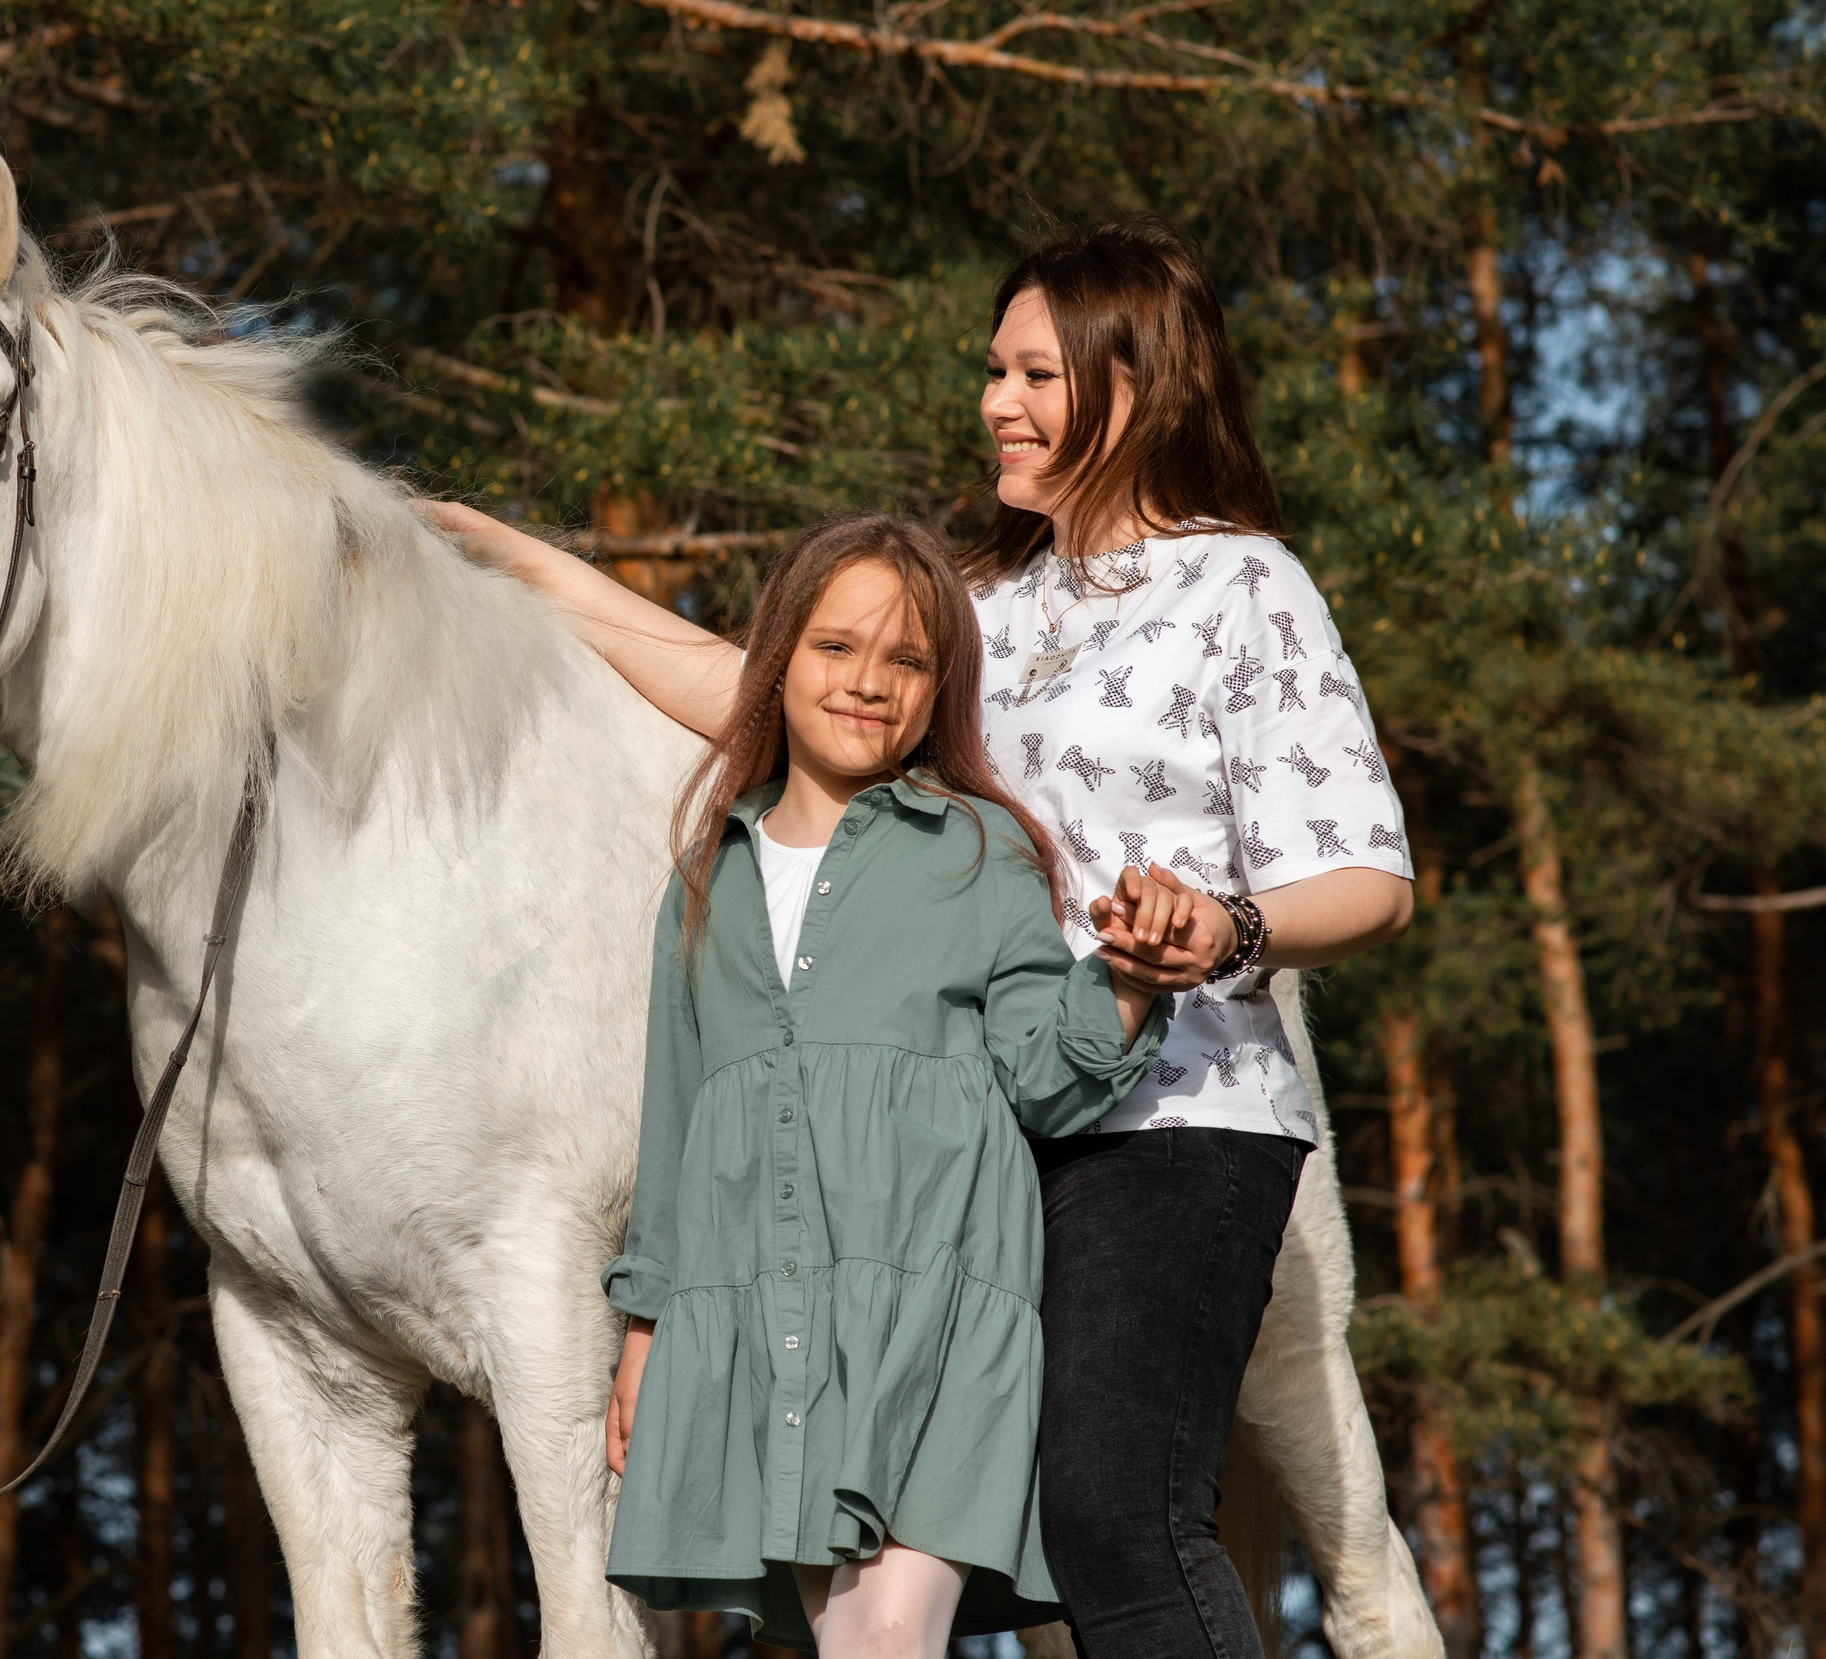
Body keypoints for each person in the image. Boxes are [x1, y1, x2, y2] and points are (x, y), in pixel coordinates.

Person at [433, 222, 1415, 1659]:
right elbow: (751, 679)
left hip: (1175, 1113)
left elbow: (1373, 879)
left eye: (1033, 373)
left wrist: (1225, 925)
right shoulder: (976, 603)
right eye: (992, 368)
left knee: (1114, 1517)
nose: (994, 402)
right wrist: (523, 566)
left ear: (1132, 388)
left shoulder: (1242, 587)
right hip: (975, 1143)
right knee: (921, 1554)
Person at [599, 511, 1168, 1658]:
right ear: (777, 659)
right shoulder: (708, 871)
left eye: (909, 661)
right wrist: (647, 1324)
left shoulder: (975, 848)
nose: (870, 683)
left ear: (940, 687)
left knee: (889, 1638)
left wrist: (1129, 981)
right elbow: (677, 1110)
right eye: (836, 649)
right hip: (763, 1315)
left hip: (941, 1309)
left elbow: (1041, 1079)